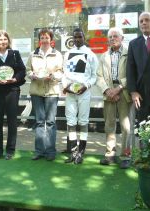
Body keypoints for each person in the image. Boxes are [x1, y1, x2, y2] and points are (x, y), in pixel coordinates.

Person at [0, 30, 26, 160]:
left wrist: (15, 79)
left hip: (12, 91)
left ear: (8, 41)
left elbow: (22, 70)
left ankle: (10, 150)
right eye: (0, 39)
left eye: (5, 39)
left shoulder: (15, 54)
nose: (3, 42)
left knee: (12, 121)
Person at [96, 27, 132, 169]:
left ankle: (125, 156)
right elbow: (99, 76)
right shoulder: (104, 56)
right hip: (109, 94)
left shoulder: (129, 54)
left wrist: (118, 88)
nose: (112, 39)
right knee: (109, 125)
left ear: (122, 38)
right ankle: (110, 154)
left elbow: (132, 74)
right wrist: (107, 90)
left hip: (124, 92)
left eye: (115, 36)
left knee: (126, 126)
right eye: (110, 37)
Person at [26, 28, 63, 161]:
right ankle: (39, 151)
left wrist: (52, 76)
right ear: (39, 40)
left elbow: (61, 72)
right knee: (40, 122)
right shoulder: (33, 54)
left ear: (51, 40)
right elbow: (27, 71)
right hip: (36, 91)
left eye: (47, 37)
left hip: (52, 92)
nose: (44, 40)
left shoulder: (57, 54)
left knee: (51, 122)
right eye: (42, 37)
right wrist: (33, 76)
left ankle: (51, 152)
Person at [62, 28, 98, 164]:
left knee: (83, 121)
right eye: (75, 37)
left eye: (79, 37)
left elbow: (94, 76)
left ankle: (81, 153)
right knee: (70, 122)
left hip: (84, 92)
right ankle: (73, 152)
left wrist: (86, 86)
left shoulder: (91, 54)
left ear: (84, 38)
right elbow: (65, 73)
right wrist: (65, 87)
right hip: (70, 93)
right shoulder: (68, 54)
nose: (77, 39)